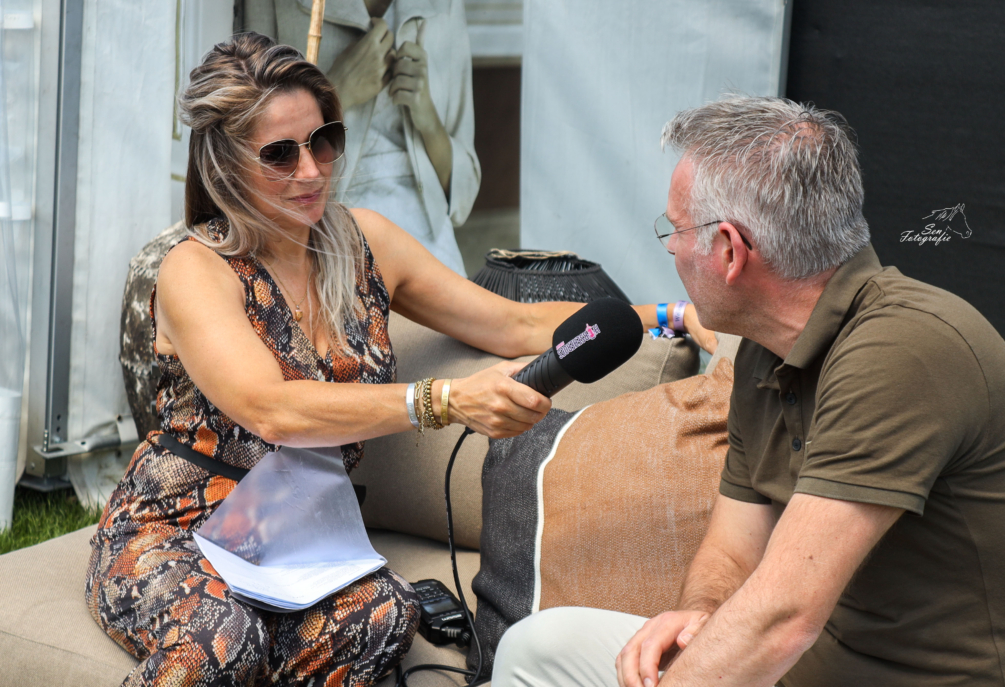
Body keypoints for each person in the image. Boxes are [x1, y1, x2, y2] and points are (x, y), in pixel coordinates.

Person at [84, 34, 713, 687]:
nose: (312, 170)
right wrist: (441, 400)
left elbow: (514, 322)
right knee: (226, 638)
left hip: (294, 541)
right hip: (176, 532)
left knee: (386, 616)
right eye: (280, 154)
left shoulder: (365, 244)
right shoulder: (196, 269)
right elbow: (270, 409)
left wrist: (670, 314)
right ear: (225, 165)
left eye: (323, 141)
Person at [491, 96, 1005, 686]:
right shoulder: (764, 350)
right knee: (542, 647)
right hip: (806, 668)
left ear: (729, 250)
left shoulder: (903, 351)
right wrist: (698, 615)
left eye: (674, 230)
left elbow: (783, 619)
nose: (670, 248)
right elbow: (733, 551)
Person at [244, 0, 479, 275]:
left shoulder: (445, 6)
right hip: (321, 227)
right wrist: (338, 90)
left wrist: (428, 118)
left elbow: (463, 196)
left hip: (428, 239)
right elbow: (252, 151)